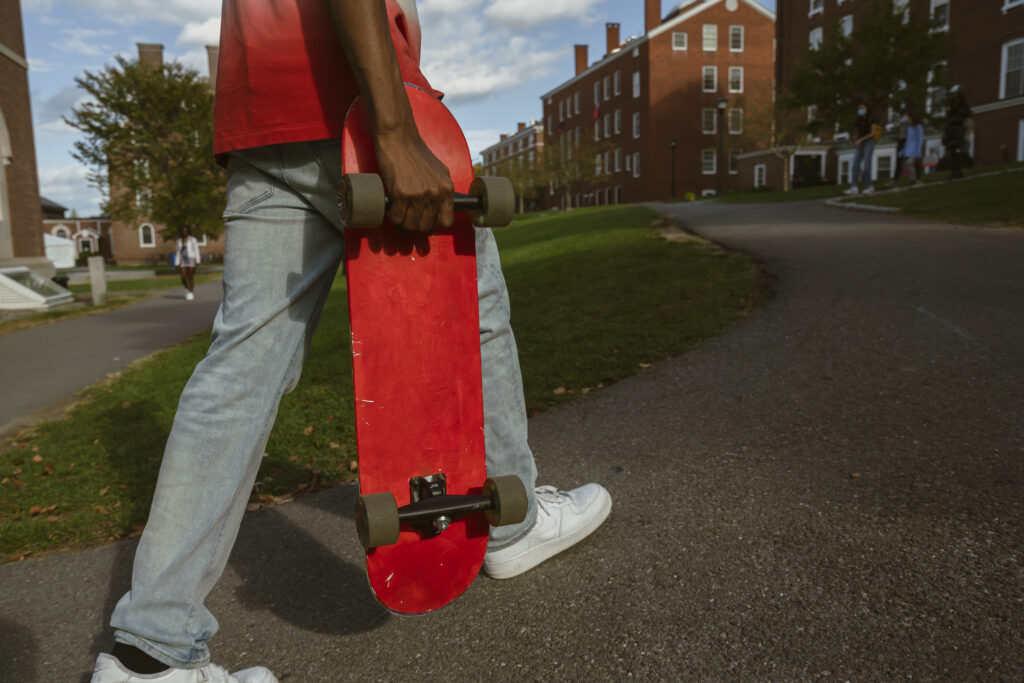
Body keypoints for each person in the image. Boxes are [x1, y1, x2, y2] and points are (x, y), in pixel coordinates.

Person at [90, 2, 612, 682]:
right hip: (358, 102)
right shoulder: (377, 116)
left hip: (262, 115)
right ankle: (511, 525)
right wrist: (393, 129)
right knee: (469, 316)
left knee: (240, 366)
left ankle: (148, 651)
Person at [845, 103, 877, 196]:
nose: (860, 109)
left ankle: (869, 186)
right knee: (855, 164)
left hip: (869, 142)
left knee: (867, 165)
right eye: (859, 108)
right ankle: (854, 187)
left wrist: (861, 139)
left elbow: (873, 133)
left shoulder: (871, 119)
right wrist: (855, 139)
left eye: (862, 108)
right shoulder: (858, 120)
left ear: (867, 109)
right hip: (860, 143)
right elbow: (856, 131)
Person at [943, 85, 972, 180]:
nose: (953, 95)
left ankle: (959, 171)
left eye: (954, 93)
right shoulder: (951, 106)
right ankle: (953, 172)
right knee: (951, 150)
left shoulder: (964, 106)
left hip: (959, 129)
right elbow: (947, 119)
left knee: (958, 149)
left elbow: (968, 120)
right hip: (951, 129)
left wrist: (968, 134)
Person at [899, 112, 925, 187]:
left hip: (914, 150)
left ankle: (914, 179)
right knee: (907, 165)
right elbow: (908, 140)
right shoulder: (910, 127)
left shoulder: (918, 127)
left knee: (910, 163)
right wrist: (903, 150)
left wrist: (918, 151)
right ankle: (913, 179)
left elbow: (920, 139)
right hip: (908, 150)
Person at [175, 227, 200, 300]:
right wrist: (176, 262)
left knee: (190, 277)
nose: (184, 232)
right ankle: (187, 288)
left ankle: (191, 292)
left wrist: (198, 260)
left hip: (191, 259)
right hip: (183, 260)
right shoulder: (179, 241)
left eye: (186, 231)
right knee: (183, 277)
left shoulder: (193, 239)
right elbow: (177, 252)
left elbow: (196, 250)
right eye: (183, 231)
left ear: (188, 232)